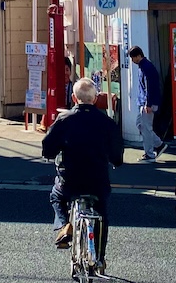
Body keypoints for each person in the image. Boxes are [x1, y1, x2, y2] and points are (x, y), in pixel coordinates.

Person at [42, 78, 123, 272]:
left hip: (70, 180)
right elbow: (117, 155)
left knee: (56, 195)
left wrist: (50, 154)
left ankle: (64, 225)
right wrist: (115, 161)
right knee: (102, 213)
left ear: (74, 98)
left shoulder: (64, 120)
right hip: (97, 180)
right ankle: (100, 258)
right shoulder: (107, 123)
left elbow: (48, 147)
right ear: (95, 99)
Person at [128, 46, 163, 160]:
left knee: (145, 127)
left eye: (133, 58)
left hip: (147, 102)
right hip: (145, 101)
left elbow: (149, 87)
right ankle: (159, 144)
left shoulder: (146, 67)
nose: (132, 60)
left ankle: (149, 153)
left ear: (138, 56)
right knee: (141, 125)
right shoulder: (145, 66)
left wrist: (148, 104)